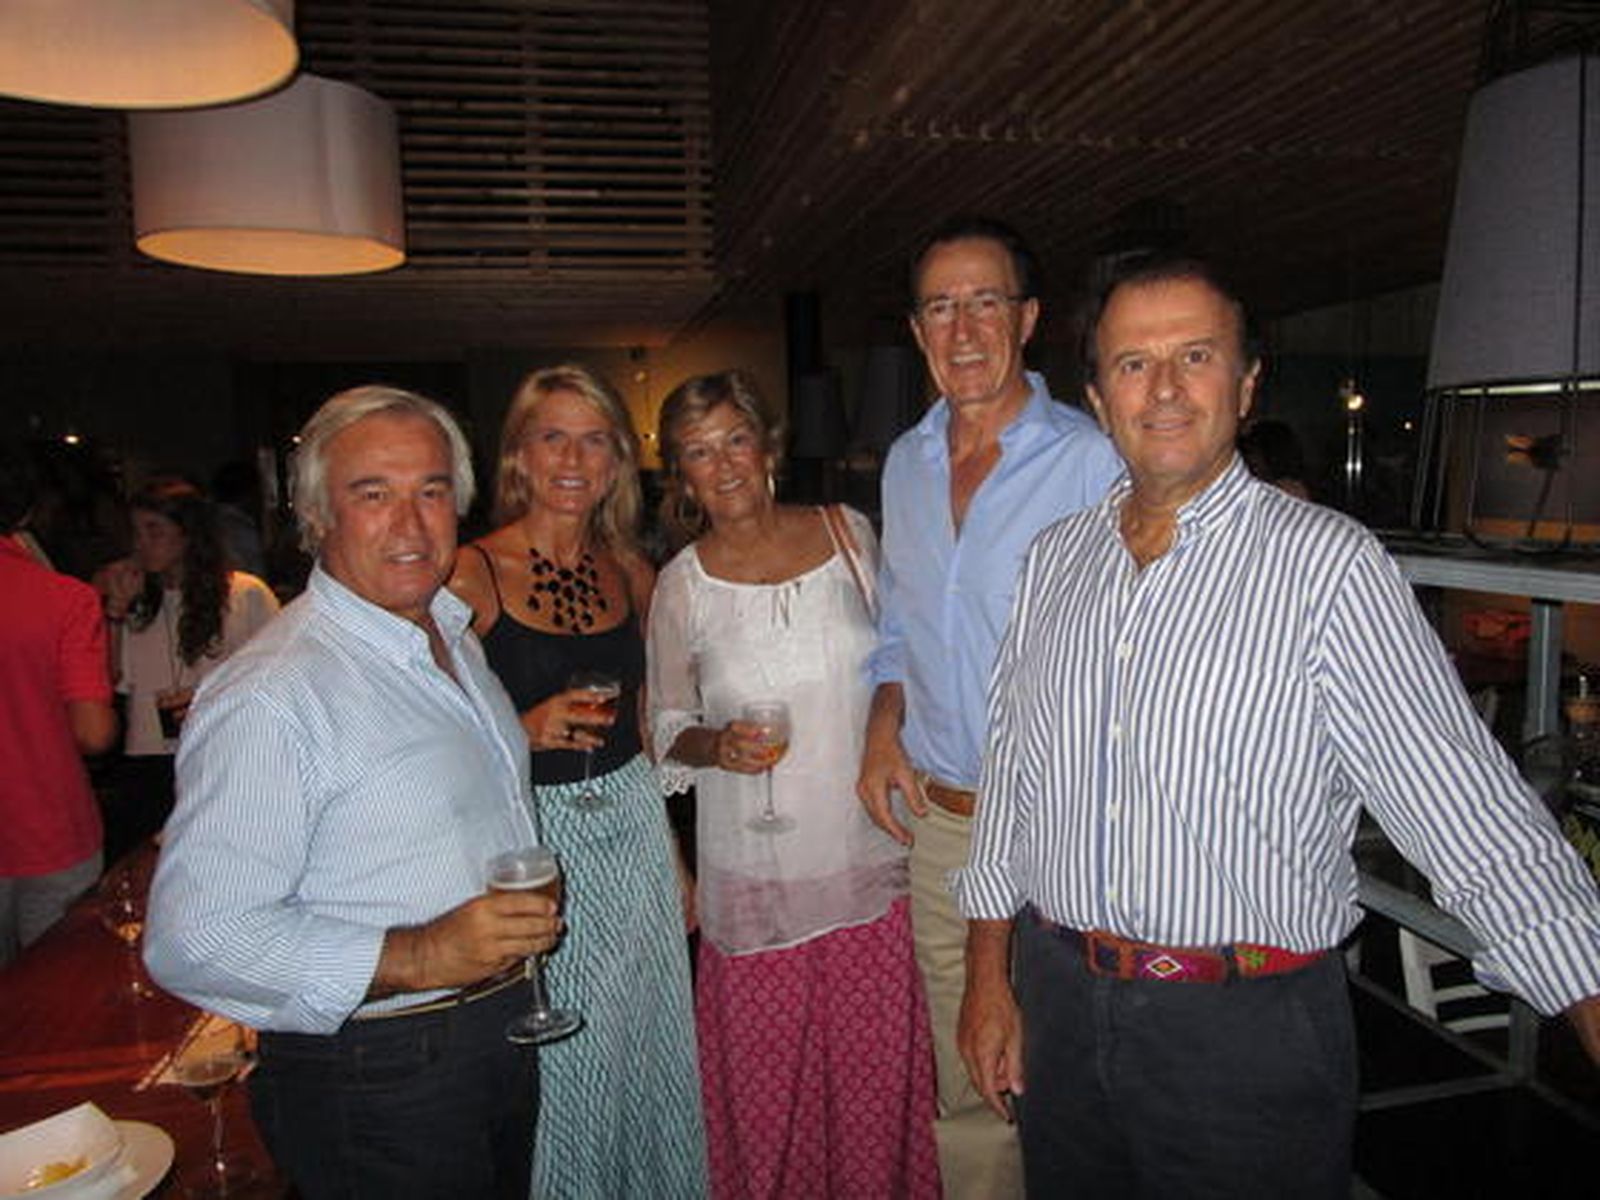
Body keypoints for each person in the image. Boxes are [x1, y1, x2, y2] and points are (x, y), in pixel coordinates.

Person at [955, 254, 1600, 1197]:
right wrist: (988, 975)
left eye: (1196, 356)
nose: (1164, 388)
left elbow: (1464, 810)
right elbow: (1012, 774)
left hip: (1245, 1039)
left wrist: (1587, 990)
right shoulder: (1055, 561)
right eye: (1133, 363)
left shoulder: (1329, 571)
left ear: (1247, 383)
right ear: (1097, 398)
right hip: (1061, 1006)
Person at [144, 386, 561, 1200]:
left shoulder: (449, 637)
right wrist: (419, 954)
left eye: (431, 491)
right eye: (373, 494)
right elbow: (195, 939)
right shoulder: (273, 693)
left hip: (492, 1033)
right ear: (315, 516)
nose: (411, 524)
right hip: (376, 1069)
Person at [856, 215, 1122, 1197]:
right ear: (915, 328)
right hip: (943, 823)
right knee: (970, 1079)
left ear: (1028, 319)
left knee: (1076, 1073)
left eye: (984, 302)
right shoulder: (905, 463)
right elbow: (899, 626)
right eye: (939, 306)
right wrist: (882, 722)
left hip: (1064, 825)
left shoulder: (1092, 461)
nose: (962, 329)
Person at [647, 371, 941, 1199]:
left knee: (874, 1097)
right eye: (699, 452)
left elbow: (903, 662)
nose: (724, 465)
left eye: (735, 439)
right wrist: (715, 743)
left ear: (767, 446)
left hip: (867, 862)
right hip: (756, 884)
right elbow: (665, 727)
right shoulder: (681, 585)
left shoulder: (849, 533)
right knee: (768, 1108)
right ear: (682, 475)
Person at [448, 363, 706, 1200]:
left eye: (594, 440)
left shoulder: (631, 571)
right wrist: (519, 730)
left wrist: (675, 858)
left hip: (631, 822)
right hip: (537, 838)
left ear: (617, 462)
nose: (572, 458)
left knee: (650, 1040)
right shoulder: (468, 574)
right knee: (570, 1058)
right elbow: (421, 734)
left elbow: (644, 726)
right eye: (552, 437)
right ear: (518, 455)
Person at [95, 479, 278, 863]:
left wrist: (210, 698)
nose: (141, 544)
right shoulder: (135, 598)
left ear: (188, 534)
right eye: (136, 532)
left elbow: (280, 678)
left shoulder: (244, 594)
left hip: (224, 756)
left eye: (154, 530)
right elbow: (108, 681)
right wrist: (114, 611)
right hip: (149, 763)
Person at [0, 442, 117, 967]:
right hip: (46, 824)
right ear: (29, 510)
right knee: (52, 990)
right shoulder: (63, 599)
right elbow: (94, 733)